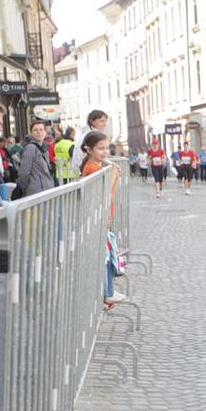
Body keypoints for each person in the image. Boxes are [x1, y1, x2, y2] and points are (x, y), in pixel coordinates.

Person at [79, 130, 124, 306]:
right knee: (104, 257)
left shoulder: (98, 166)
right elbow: (102, 194)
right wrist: (113, 176)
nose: (105, 152)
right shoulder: (91, 168)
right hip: (99, 215)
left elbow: (110, 191)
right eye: (100, 148)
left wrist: (115, 177)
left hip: (104, 214)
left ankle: (108, 291)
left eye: (107, 148)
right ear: (89, 149)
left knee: (107, 254)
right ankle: (106, 293)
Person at [15, 120, 56, 198]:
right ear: (31, 133)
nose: (39, 132)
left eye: (41, 129)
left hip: (45, 191)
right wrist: (22, 190)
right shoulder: (30, 148)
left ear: (45, 132)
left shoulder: (44, 149)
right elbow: (23, 173)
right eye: (35, 130)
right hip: (36, 193)